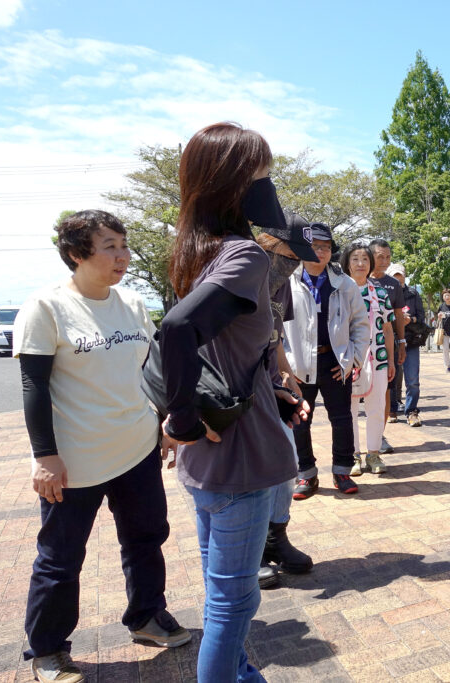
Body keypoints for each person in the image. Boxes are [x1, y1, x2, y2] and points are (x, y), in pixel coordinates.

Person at [14, 210, 189, 683]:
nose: (122, 255)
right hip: (75, 461)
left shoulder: (131, 304)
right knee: (61, 557)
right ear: (77, 253)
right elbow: (33, 389)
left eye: (123, 245)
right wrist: (44, 456)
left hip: (136, 448)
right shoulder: (46, 308)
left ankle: (147, 618)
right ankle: (48, 650)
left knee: (146, 539)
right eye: (109, 246)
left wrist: (165, 420)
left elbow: (152, 371)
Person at [160, 122, 296, 682]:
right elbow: (176, 331)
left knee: (221, 587)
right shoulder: (244, 256)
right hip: (241, 454)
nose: (268, 184)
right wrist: (184, 418)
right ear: (236, 183)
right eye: (261, 173)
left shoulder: (196, 252)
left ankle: (240, 673)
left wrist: (181, 419)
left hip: (207, 462)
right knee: (233, 602)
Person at [284, 221, 371, 497]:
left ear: (331, 251)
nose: (320, 252)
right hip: (299, 364)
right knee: (300, 419)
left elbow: (361, 324)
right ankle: (306, 475)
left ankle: (342, 471)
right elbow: (275, 327)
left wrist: (353, 360)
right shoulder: (288, 282)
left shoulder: (344, 284)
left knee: (342, 418)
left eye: (325, 247)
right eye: (314, 247)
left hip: (335, 362)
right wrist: (287, 366)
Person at [252, 220, 318, 588]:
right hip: (239, 389)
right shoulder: (239, 276)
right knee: (258, 470)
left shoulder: (282, 286)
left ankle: (278, 536)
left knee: (288, 461)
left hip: (270, 383)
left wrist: (286, 374)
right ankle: (256, 549)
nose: (294, 264)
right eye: (291, 254)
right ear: (270, 244)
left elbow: (275, 336)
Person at [342, 242, 396, 474]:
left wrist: (391, 360)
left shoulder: (380, 293)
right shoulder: (339, 291)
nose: (361, 264)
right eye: (355, 259)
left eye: (365, 259)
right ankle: (353, 455)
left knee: (377, 406)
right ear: (347, 263)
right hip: (348, 360)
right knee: (349, 409)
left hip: (378, 359)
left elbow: (388, 329)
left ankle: (373, 454)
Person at [369, 239, 404, 453]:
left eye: (388, 257)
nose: (385, 261)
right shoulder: (356, 280)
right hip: (360, 349)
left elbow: (398, 316)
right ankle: (352, 448)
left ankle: (378, 437)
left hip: (384, 348)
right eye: (380, 256)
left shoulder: (393, 284)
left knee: (384, 395)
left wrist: (401, 343)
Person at [388, 263, 425, 427]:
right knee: (391, 377)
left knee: (412, 379)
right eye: (394, 276)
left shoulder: (413, 293)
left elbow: (421, 317)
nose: (398, 279)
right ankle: (391, 410)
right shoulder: (384, 292)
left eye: (400, 276)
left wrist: (411, 319)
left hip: (411, 340)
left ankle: (411, 411)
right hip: (391, 341)